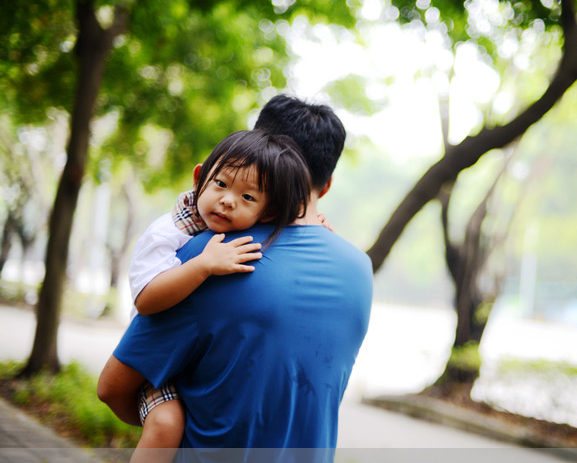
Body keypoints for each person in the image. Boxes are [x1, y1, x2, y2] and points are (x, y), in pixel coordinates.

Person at [98, 95, 373, 462]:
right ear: (326, 186)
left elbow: (113, 387)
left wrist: (166, 427)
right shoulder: (360, 270)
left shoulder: (217, 253)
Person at [119, 129, 312, 462]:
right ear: (200, 178)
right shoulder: (168, 234)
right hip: (157, 366)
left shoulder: (241, 231)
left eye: (247, 197)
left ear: (267, 214)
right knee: (166, 424)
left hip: (193, 365)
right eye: (221, 184)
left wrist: (314, 224)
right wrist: (203, 265)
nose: (227, 200)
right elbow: (145, 301)